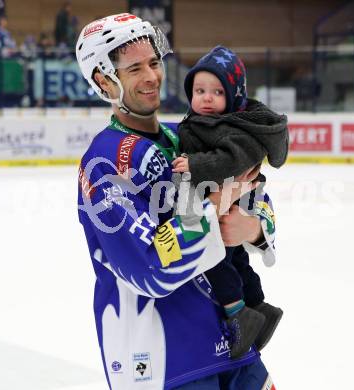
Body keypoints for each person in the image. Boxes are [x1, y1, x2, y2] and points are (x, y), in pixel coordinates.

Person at [76, 14, 277, 389]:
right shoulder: (104, 164)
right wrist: (211, 210)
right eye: (134, 68)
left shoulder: (183, 138)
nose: (152, 76)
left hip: (233, 341)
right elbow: (151, 264)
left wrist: (256, 228)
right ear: (104, 81)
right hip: (165, 358)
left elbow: (255, 192)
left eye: (153, 62)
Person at [172, 46, 287, 359]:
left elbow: (235, 168)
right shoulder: (201, 126)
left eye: (217, 91)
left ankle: (240, 312)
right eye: (199, 91)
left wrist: (253, 229)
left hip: (224, 215)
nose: (206, 98)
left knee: (222, 263)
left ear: (234, 96)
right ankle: (258, 305)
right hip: (212, 211)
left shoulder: (233, 130)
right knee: (234, 261)